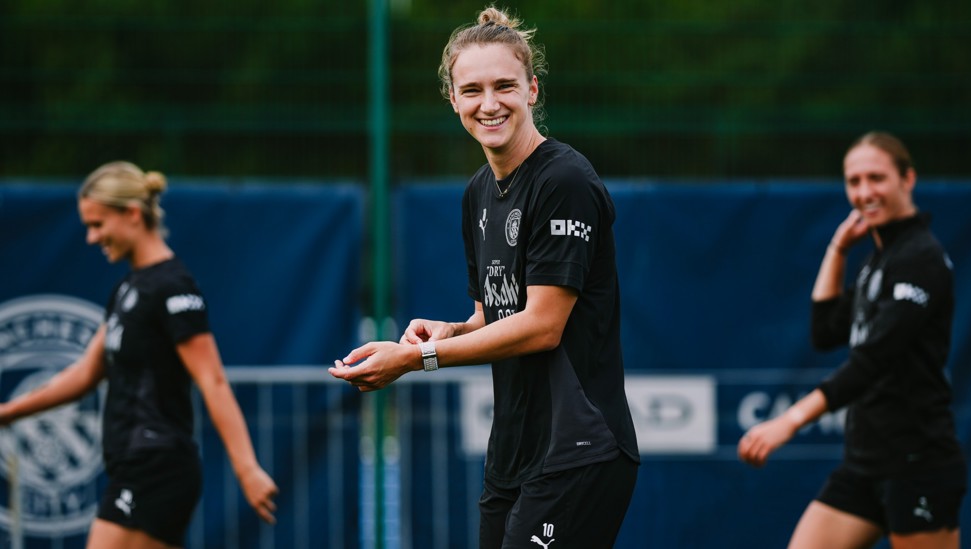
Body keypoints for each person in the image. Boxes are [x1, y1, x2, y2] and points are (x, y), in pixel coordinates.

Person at [329, 6, 640, 548]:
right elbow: (492, 317)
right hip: (514, 456)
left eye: (505, 86)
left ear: (533, 90)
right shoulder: (478, 191)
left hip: (577, 451)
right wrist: (449, 331)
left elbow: (542, 326)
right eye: (472, 90)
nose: (489, 104)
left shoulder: (563, 180)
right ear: (453, 99)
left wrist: (417, 359)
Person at [0, 161, 278, 548]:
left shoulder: (173, 287)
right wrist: (7, 412)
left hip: (156, 467)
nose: (91, 238)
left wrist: (247, 468)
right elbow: (83, 374)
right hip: (135, 467)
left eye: (97, 225)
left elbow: (212, 380)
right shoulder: (129, 288)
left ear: (132, 214)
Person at [738, 131, 967, 548]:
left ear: (907, 179)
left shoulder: (921, 258)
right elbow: (824, 331)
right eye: (854, 181)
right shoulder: (877, 261)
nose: (864, 192)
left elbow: (874, 360)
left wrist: (790, 421)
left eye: (876, 178)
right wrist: (838, 249)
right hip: (864, 464)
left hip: (918, 462)